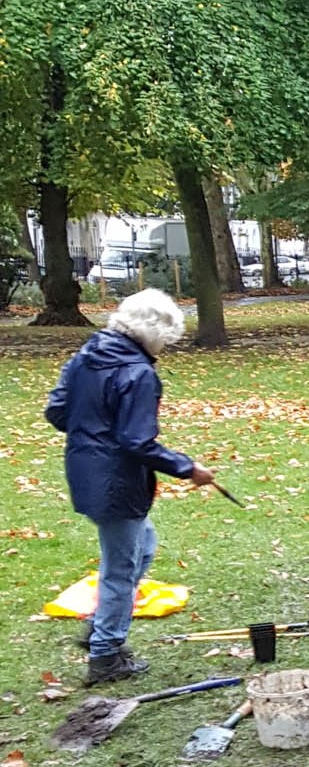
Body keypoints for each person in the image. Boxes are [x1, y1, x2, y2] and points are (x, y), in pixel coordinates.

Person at [44, 289, 216, 685]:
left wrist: (92, 431)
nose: (167, 346)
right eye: (168, 337)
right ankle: (105, 654)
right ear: (154, 330)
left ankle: (100, 625)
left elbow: (57, 411)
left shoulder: (87, 355)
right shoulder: (139, 373)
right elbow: (137, 442)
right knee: (121, 567)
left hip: (86, 471)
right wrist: (188, 468)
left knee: (143, 548)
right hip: (115, 480)